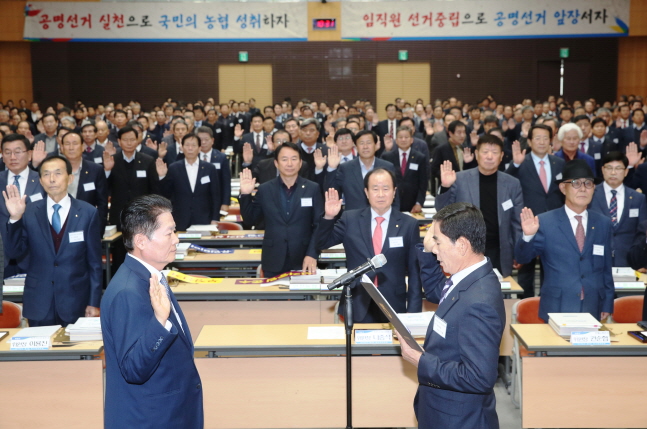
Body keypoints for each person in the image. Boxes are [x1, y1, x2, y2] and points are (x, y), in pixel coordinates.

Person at [398, 202, 505, 429]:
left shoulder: (479, 301)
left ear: (463, 245)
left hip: (460, 420)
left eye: (437, 242)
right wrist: (429, 250)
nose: (433, 248)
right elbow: (439, 292)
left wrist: (420, 360)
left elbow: (478, 377)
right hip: (445, 411)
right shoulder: (468, 276)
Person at [100, 195, 203, 429]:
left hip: (168, 413)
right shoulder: (128, 291)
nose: (176, 239)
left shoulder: (151, 277)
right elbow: (133, 368)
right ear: (141, 241)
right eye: (169, 233)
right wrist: (159, 321)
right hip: (149, 419)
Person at [4, 155, 102, 326]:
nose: (52, 179)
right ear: (40, 181)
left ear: (70, 178)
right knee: (40, 352)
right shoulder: (28, 211)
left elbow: (94, 263)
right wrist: (15, 218)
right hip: (39, 300)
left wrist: (94, 302)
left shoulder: (87, 212)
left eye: (58, 173)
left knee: (75, 351)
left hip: (76, 299)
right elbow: (14, 252)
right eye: (46, 174)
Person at [316, 169, 422, 323]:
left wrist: (413, 313)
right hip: (357, 301)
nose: (380, 194)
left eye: (386, 188)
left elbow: (414, 272)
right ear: (366, 192)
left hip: (393, 304)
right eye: (375, 189)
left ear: (394, 192)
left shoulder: (409, 224)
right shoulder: (350, 219)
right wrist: (329, 217)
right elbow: (322, 243)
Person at [516, 159, 615, 321]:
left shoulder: (603, 223)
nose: (583, 189)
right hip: (557, 306)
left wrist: (607, 304)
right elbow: (522, 258)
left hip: (593, 306)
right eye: (576, 183)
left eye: (588, 183)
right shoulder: (546, 222)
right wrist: (528, 236)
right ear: (563, 188)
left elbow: (606, 268)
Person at [436, 134, 523, 277]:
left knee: (498, 294)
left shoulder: (512, 184)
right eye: (485, 152)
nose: (489, 156)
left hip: (499, 250)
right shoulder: (459, 179)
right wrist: (445, 187)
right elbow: (442, 211)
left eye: (494, 153)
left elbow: (516, 223)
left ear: (501, 156)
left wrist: (518, 251)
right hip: (466, 250)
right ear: (476, 154)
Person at [239, 142, 323, 277]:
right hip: (273, 258)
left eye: (294, 159)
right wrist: (245, 195)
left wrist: (312, 254)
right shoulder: (265, 189)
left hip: (304, 258)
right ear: (276, 163)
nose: (289, 163)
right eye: (284, 159)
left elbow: (319, 225)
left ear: (300, 163)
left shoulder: (312, 188)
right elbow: (249, 220)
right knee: (274, 297)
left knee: (302, 298)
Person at [505, 124, 565, 297]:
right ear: (530, 141)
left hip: (554, 224)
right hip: (528, 222)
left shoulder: (559, 163)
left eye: (545, 138)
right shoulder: (521, 162)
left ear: (551, 142)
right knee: (526, 270)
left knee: (552, 268)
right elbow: (506, 182)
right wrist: (515, 164)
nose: (541, 142)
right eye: (537, 138)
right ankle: (526, 305)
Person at [588, 151, 647, 267]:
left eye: (618, 168)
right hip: (595, 262)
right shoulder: (589, 195)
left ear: (626, 172)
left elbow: (642, 234)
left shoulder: (638, 198)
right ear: (603, 170)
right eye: (609, 168)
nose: (613, 172)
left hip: (628, 263)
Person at [0, 134, 44, 277]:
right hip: (3, 256)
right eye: (7, 152)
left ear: (29, 154)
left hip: (34, 254)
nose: (13, 157)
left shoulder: (43, 180)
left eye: (18, 152)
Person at [158, 133, 221, 231]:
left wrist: (215, 218)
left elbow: (216, 195)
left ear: (199, 148)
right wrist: (162, 177)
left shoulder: (210, 168)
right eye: (187, 145)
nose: (190, 148)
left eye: (194, 145)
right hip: (180, 219)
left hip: (204, 218)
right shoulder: (174, 168)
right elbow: (166, 194)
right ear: (182, 148)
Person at [324, 130, 397, 211]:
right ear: (356, 147)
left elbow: (395, 196)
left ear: (376, 145)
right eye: (361, 143)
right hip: (353, 218)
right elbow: (332, 192)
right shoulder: (345, 168)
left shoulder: (387, 166)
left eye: (369, 143)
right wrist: (332, 168)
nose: (365, 146)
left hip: (382, 217)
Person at [59, 131, 108, 236]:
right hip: (59, 225)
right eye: (67, 144)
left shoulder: (95, 169)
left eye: (75, 143)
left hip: (87, 225)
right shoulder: (54, 170)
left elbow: (102, 204)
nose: (71, 147)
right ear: (62, 148)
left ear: (82, 147)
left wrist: (98, 232)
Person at [381, 126, 428, 213]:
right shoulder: (387, 156)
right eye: (400, 137)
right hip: (391, 202)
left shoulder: (419, 157)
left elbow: (423, 183)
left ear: (411, 140)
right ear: (396, 140)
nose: (403, 140)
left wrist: (419, 203)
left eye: (406, 137)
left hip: (412, 204)